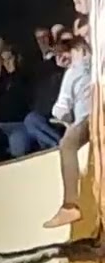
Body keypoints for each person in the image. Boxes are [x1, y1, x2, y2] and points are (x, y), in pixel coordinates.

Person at [43, 37, 93, 229]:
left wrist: (67, 119)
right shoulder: (94, 62)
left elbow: (61, 108)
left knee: (67, 145)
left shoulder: (73, 72)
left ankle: (70, 205)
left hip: (89, 118)